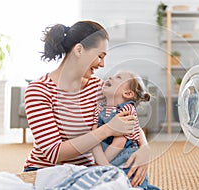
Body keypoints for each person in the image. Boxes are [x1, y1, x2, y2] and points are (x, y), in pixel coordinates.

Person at [23, 20, 150, 187]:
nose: (102, 64)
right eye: (100, 56)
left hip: (88, 172)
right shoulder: (39, 91)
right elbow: (54, 153)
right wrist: (107, 130)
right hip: (48, 172)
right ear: (79, 50)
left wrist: (145, 148)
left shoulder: (99, 88)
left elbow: (125, 118)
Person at [92, 71, 159, 190]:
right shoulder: (100, 108)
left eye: (118, 77)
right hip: (108, 162)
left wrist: (100, 164)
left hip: (126, 165)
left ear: (127, 93)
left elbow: (120, 142)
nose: (111, 77)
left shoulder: (127, 109)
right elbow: (94, 137)